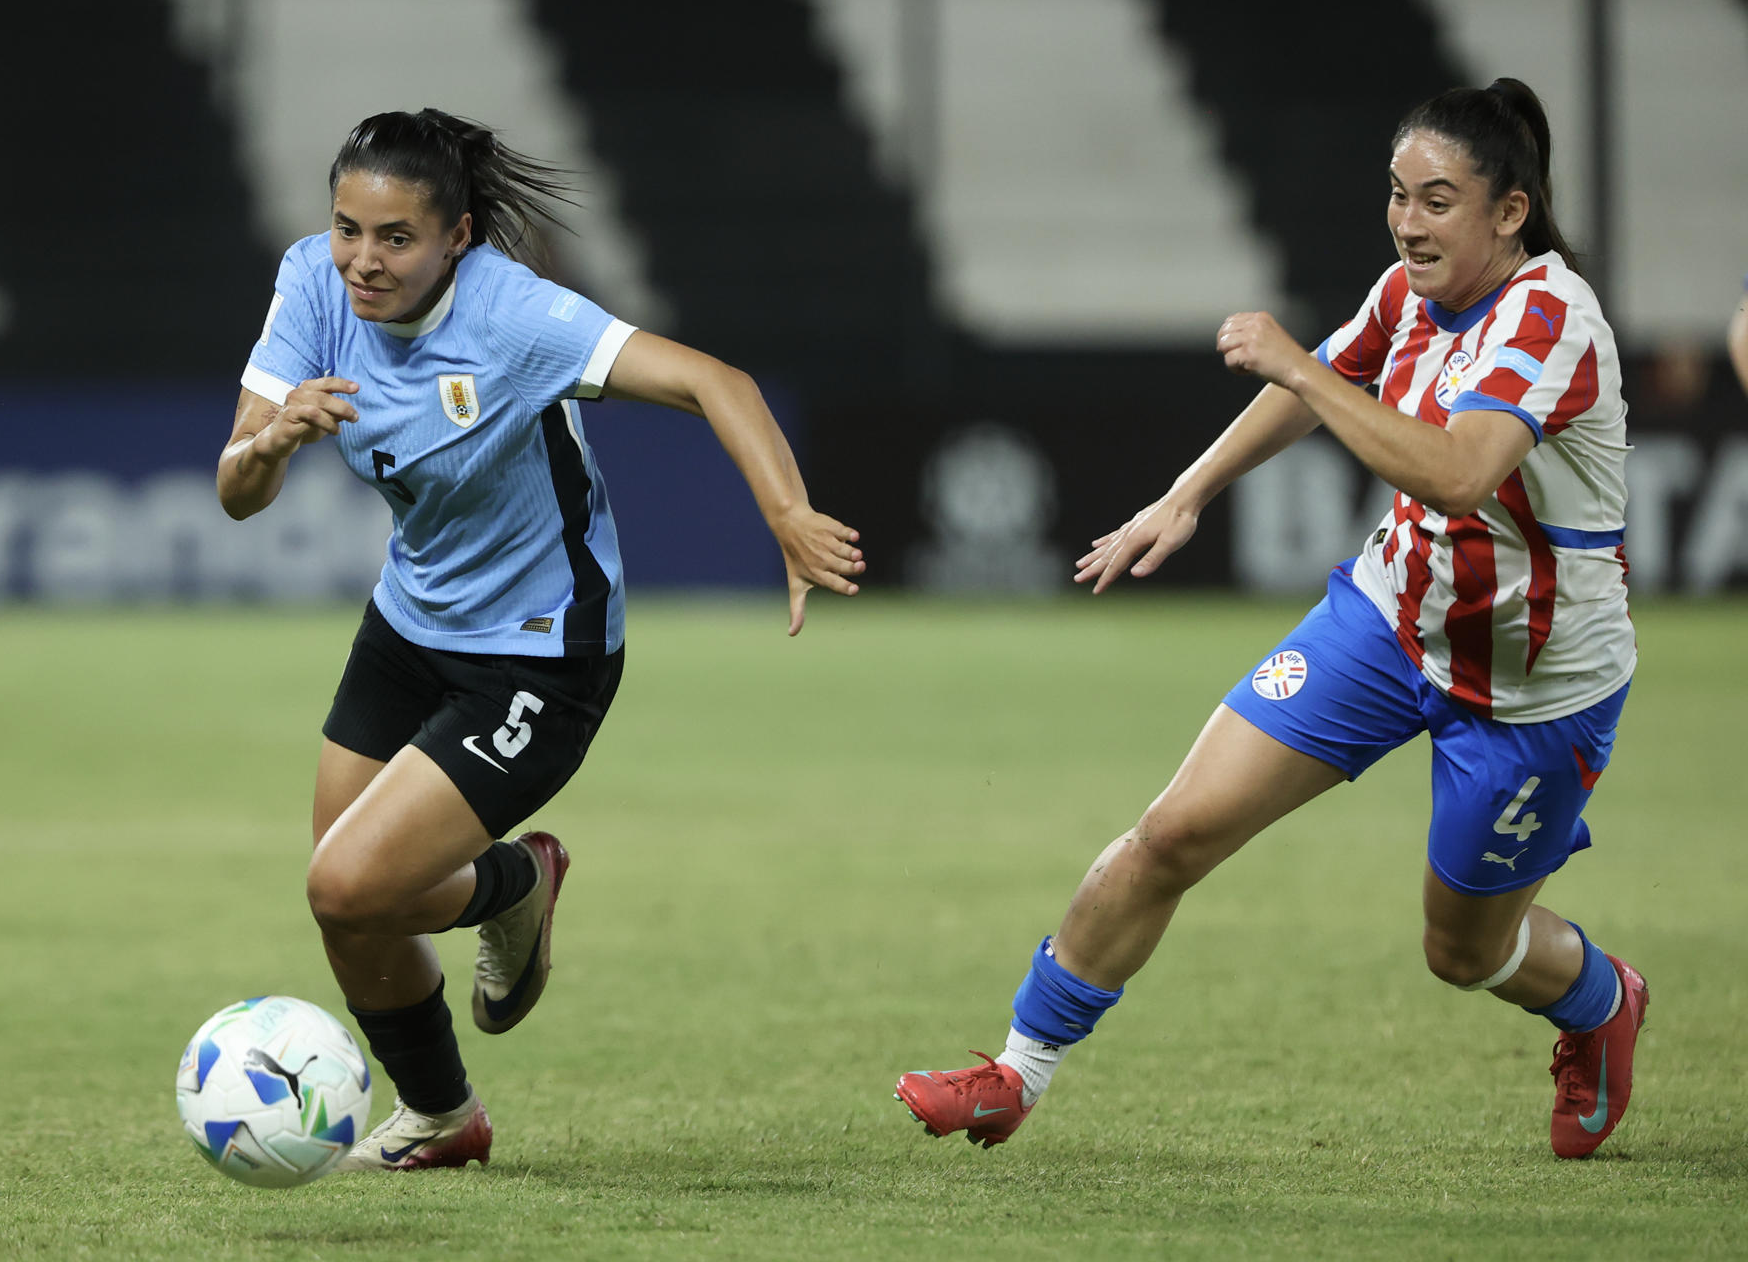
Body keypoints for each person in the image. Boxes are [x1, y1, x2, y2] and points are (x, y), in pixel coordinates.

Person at [896, 78, 1646, 1160]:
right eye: (1398, 196)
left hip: (1539, 689)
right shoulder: (1407, 296)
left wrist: (1296, 358)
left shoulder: (1552, 318)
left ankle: (1599, 999)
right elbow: (1319, 384)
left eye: (1437, 200)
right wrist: (1185, 494)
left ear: (1510, 211)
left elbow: (1460, 475)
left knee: (1463, 950)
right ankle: (1016, 1070)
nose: (1407, 222)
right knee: (1174, 830)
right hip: (1390, 623)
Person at [218, 108, 864, 1171]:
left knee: (346, 884)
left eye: (394, 239)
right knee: (349, 904)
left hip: (538, 653)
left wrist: (788, 517)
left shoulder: (518, 318)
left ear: (456, 239)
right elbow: (237, 491)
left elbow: (719, 382)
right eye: (347, 229)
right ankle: (442, 1116)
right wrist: (274, 438)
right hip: (409, 620)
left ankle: (514, 884)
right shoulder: (308, 285)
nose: (363, 261)